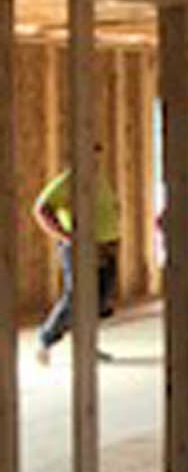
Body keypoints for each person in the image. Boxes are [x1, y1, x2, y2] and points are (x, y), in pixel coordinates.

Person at [33, 144, 121, 365]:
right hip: (82, 250)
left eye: (97, 155)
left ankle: (87, 346)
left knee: (99, 301)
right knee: (77, 298)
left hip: (105, 248)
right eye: (91, 155)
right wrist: (67, 237)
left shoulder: (98, 179)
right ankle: (46, 339)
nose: (95, 160)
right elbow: (42, 209)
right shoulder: (68, 181)